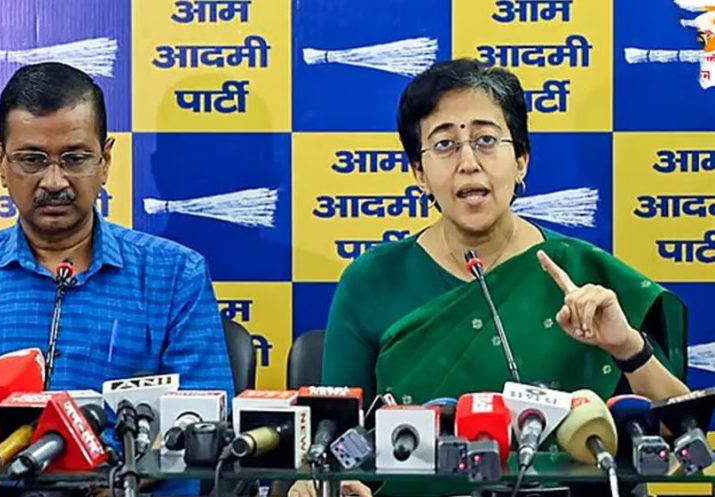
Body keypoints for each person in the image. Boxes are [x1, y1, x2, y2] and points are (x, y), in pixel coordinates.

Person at [290, 59, 690, 497]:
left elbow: (678, 435)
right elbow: (333, 441)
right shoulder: (372, 280)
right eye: (444, 144)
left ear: (521, 160)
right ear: (419, 173)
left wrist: (626, 347)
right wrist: (325, 481)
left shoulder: (586, 275)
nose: (468, 162)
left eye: (485, 140)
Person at [0, 62, 234, 495]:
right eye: (32, 160)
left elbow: (205, 429)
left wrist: (110, 483)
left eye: (75, 158)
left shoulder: (175, 275)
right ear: (1, 162)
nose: (54, 180)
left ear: (105, 160)